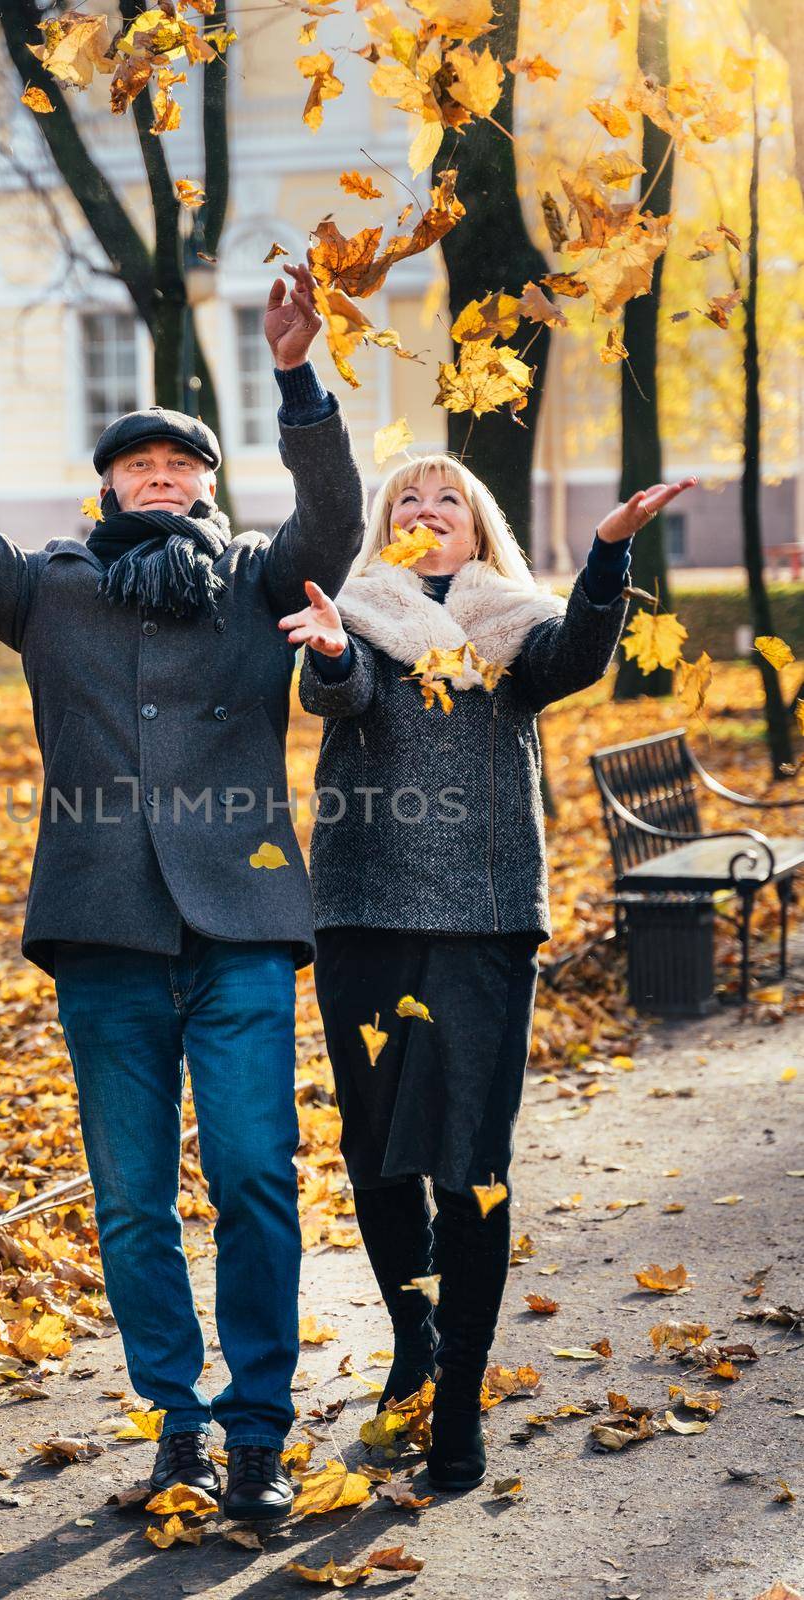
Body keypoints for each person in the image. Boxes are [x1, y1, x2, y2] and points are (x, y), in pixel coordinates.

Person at [0, 264, 366, 1521]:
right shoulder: (49, 590)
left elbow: (331, 520)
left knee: (254, 1177)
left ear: (209, 484)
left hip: (239, 926)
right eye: (140, 464)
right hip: (105, 926)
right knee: (130, 1204)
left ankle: (260, 1431)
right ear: (109, 484)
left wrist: (297, 374)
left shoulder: (258, 583)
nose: (161, 475)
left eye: (182, 463)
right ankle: (175, 1425)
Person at [280, 451, 694, 1491]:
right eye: (406, 501)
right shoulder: (361, 612)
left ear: (477, 526)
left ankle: (456, 1399)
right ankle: (413, 1340)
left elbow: (580, 657)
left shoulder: (517, 627)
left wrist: (607, 554)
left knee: (470, 1163)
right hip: (365, 914)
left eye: (446, 500)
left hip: (485, 923)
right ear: (386, 527)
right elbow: (340, 691)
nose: (426, 512)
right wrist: (330, 653)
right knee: (376, 1155)